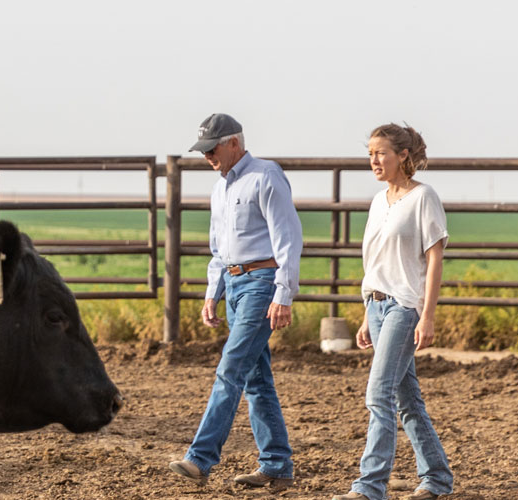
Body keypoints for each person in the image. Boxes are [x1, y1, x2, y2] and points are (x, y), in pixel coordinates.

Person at [167, 113, 303, 493]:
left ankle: (200, 457)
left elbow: (288, 238)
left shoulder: (265, 176)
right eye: (203, 150)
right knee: (256, 380)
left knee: (230, 368)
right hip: (234, 281)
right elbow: (218, 248)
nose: (207, 156)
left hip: (262, 282)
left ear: (234, 143)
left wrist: (283, 293)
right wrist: (214, 290)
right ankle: (277, 465)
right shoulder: (220, 189)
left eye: (212, 149)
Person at [336, 124, 454, 500]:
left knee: (378, 393)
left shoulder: (424, 198)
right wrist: (365, 313)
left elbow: (434, 259)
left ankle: (370, 486)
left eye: (381, 153)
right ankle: (437, 478)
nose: (373, 160)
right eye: (370, 153)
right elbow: (375, 261)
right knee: (407, 400)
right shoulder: (377, 201)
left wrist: (428, 315)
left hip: (405, 307)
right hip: (376, 305)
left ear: (403, 155)